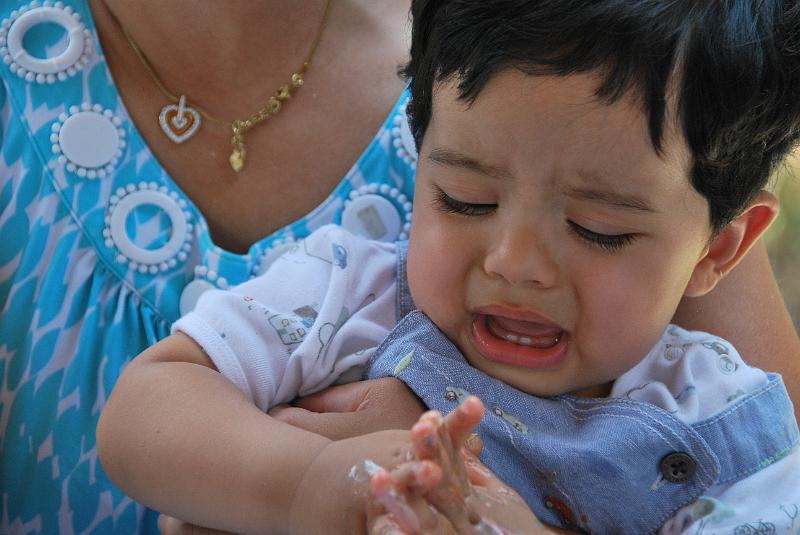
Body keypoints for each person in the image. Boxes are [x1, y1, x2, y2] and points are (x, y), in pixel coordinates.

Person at [1, 0, 799, 533]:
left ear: (719, 247)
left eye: (598, 229)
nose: (515, 263)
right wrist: (310, 479)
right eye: (465, 200)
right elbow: (144, 409)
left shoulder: (728, 427)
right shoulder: (357, 292)